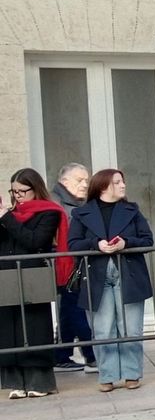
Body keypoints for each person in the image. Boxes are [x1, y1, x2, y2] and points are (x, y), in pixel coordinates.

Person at [68, 169, 153, 393]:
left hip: (129, 272)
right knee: (103, 329)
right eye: (117, 182)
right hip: (96, 274)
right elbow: (73, 244)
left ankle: (131, 374)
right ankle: (107, 376)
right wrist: (96, 245)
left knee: (131, 328)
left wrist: (125, 244)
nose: (123, 185)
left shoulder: (132, 210)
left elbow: (147, 239)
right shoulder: (81, 213)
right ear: (104, 186)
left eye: (123, 181)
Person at [1, 169, 68, 397]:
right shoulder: (11, 214)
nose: (17, 196)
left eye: (22, 191)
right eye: (13, 191)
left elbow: (34, 241)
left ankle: (39, 382)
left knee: (33, 325)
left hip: (32, 275)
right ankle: (17, 382)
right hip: (7, 274)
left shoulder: (47, 212)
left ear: (35, 189)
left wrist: (7, 219)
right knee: (9, 328)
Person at [50, 163, 93, 372]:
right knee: (76, 310)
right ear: (64, 182)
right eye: (79, 180)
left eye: (87, 180)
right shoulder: (56, 204)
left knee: (69, 311)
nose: (85, 184)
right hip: (66, 267)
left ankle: (61, 355)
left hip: (73, 266)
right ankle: (92, 355)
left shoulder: (78, 203)